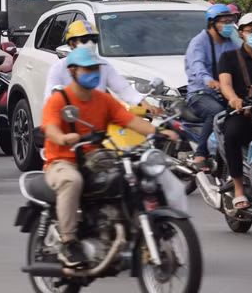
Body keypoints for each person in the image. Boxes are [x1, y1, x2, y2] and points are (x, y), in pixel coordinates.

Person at [42, 46, 177, 267]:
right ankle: (68, 241)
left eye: (95, 68)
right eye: (88, 69)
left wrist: (159, 132)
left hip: (97, 158)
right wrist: (64, 138)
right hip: (62, 161)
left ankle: (136, 234)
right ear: (73, 71)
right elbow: (50, 127)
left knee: (133, 178)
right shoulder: (60, 100)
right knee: (72, 181)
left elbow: (128, 119)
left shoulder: (102, 99)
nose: (93, 72)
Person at [218, 13, 252, 209]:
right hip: (243, 113)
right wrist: (233, 99)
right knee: (232, 135)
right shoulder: (229, 58)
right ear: (241, 33)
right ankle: (239, 190)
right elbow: (225, 84)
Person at [44, 20, 152, 109]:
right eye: (85, 40)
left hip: (100, 122)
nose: (90, 43)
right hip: (73, 122)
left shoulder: (103, 65)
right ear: (72, 44)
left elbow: (123, 89)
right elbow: (50, 102)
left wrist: (144, 104)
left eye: (94, 39)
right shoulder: (58, 68)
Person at [185, 4, 240, 171]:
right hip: (201, 93)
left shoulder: (232, 43)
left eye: (232, 21)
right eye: (225, 21)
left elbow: (242, 64)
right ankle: (200, 154)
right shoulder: (199, 42)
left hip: (225, 92)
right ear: (212, 23)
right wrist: (209, 80)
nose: (229, 25)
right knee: (216, 112)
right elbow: (197, 67)